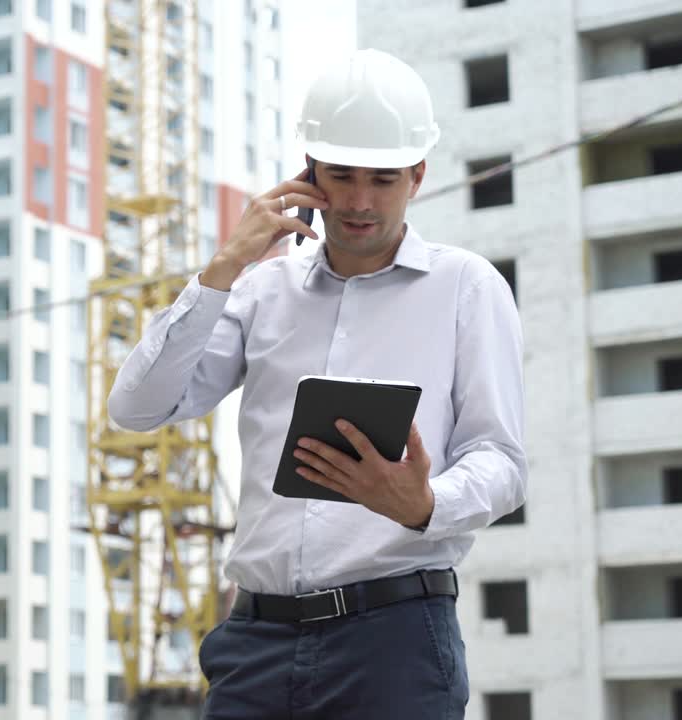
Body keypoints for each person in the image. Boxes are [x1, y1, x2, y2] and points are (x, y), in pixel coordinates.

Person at [107, 49, 527, 718]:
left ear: (418, 175)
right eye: (341, 176)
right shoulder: (259, 291)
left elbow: (503, 463)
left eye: (384, 179)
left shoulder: (467, 288)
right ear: (309, 175)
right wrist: (224, 267)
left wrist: (422, 503)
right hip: (255, 642)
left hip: (393, 642)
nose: (360, 201)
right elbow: (135, 408)